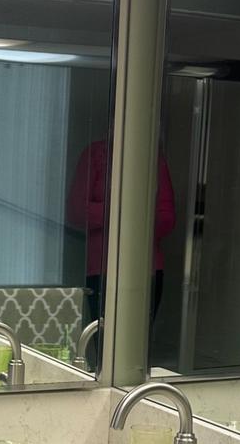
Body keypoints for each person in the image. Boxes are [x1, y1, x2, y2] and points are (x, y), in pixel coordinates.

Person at [67, 138, 175, 333]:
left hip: (145, 268)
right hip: (102, 268)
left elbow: (166, 218)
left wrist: (128, 218)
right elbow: (75, 210)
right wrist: (119, 211)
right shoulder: (95, 153)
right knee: (104, 338)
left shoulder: (153, 158)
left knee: (138, 340)